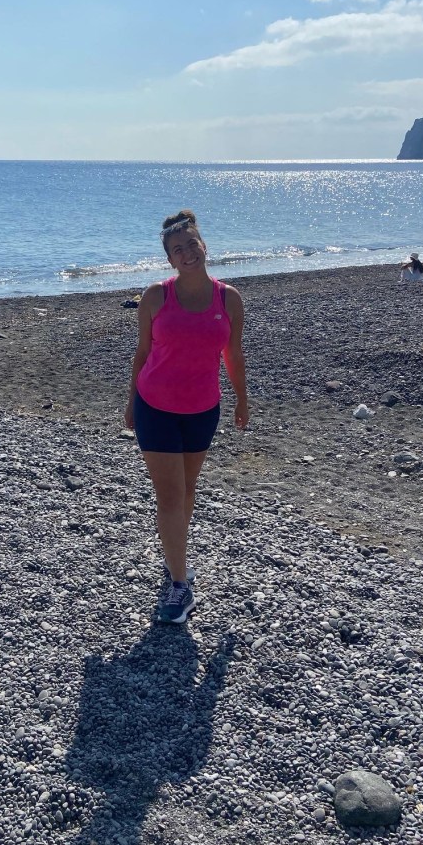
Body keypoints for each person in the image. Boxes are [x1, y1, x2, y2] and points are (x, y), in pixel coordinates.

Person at [124, 210, 249, 624]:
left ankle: (173, 556)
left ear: (203, 246)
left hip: (202, 409)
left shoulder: (228, 298)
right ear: (169, 259)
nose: (187, 253)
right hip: (155, 406)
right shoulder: (156, 296)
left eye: (192, 244)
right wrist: (130, 402)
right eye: (178, 249)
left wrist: (241, 399)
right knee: (170, 496)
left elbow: (232, 354)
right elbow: (142, 354)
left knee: (187, 489)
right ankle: (180, 585)